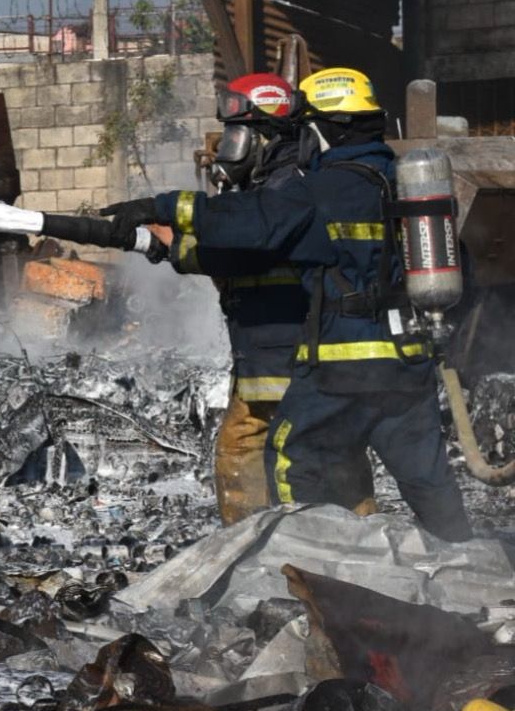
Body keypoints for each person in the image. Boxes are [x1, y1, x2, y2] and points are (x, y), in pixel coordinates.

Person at [104, 67, 473, 542]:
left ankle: (300, 562)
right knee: (429, 482)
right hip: (409, 362)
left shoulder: (316, 191)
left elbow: (252, 226)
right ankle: (473, 568)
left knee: (288, 458)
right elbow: (462, 272)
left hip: (342, 364)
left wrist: (160, 207)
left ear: (319, 129)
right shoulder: (410, 187)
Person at [178, 73, 375, 525]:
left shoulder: (286, 187)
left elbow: (246, 253)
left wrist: (174, 247)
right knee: (328, 448)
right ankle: (343, 542)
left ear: (261, 135)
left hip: (286, 348)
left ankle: (259, 549)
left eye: (234, 134)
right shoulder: (277, 183)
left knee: (265, 448)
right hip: (270, 348)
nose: (226, 149)